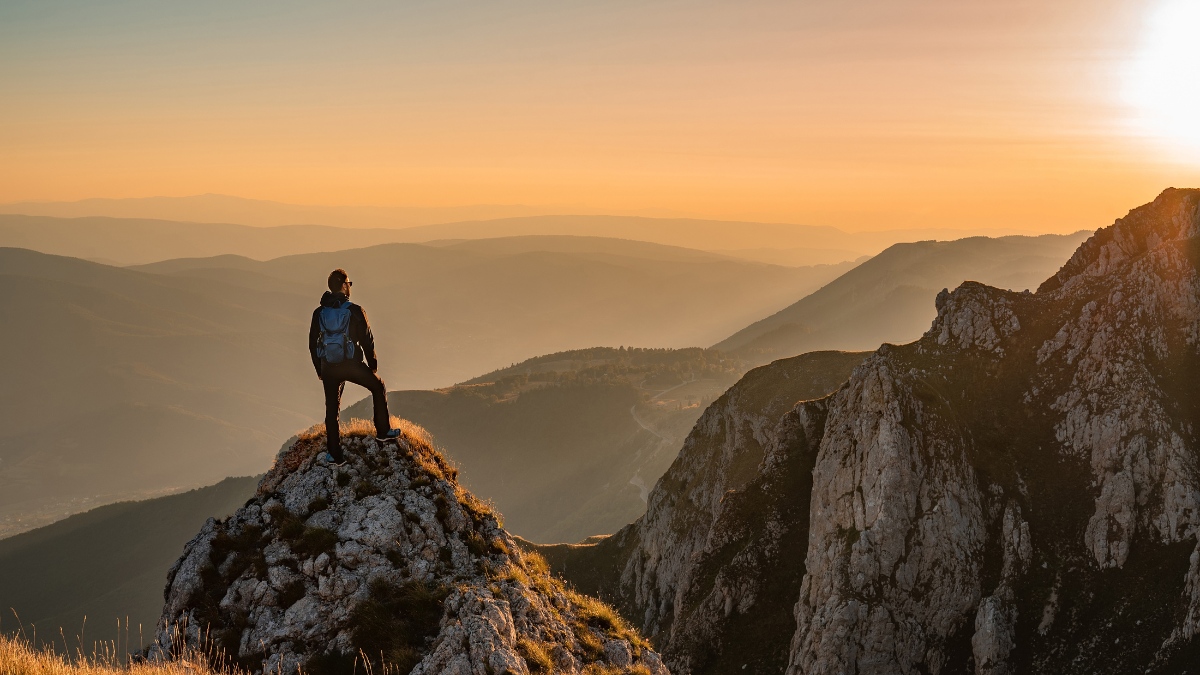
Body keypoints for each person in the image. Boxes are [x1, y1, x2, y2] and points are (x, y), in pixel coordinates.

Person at [308, 269, 401, 464]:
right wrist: (372, 364)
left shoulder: (319, 312)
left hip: (329, 366)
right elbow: (367, 340)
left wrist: (320, 370)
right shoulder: (355, 310)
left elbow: (312, 343)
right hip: (351, 364)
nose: (350, 287)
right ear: (343, 285)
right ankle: (383, 431)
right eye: (349, 283)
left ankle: (334, 454)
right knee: (378, 386)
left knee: (332, 409)